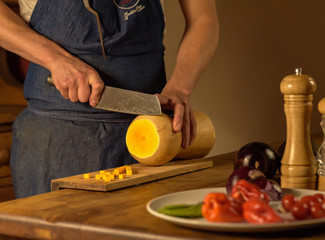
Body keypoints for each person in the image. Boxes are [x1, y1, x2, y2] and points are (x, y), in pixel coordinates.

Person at [0, 0, 219, 198]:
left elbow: (203, 19)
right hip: (54, 140)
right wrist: (55, 59)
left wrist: (180, 87)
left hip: (152, 135)